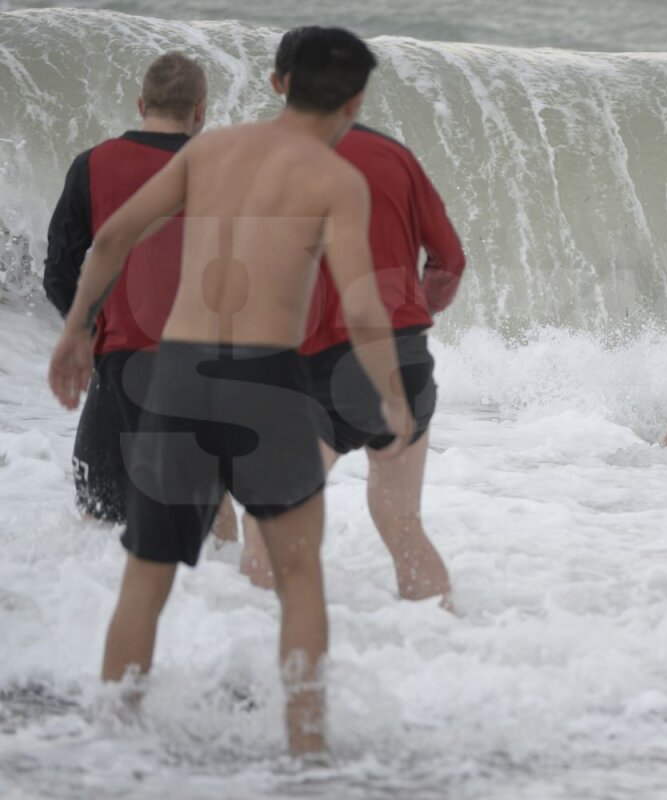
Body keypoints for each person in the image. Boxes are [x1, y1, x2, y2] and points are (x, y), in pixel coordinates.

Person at [47, 28, 410, 755]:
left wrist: (76, 332)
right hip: (265, 384)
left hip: (178, 374)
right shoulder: (336, 179)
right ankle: (307, 755)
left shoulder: (211, 150)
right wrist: (391, 397)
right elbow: (363, 305)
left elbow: (112, 238)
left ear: (278, 84)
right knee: (299, 574)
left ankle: (108, 748)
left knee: (146, 575)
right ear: (355, 100)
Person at [238, 27, 466, 607]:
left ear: (277, 83)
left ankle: (266, 672)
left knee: (268, 522)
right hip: (403, 360)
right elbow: (449, 261)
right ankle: (453, 652)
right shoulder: (397, 158)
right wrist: (413, 313)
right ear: (356, 97)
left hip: (307, 366)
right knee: (400, 523)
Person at [42, 53, 234, 541]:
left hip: (118, 371)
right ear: (200, 110)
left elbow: (59, 274)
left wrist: (90, 333)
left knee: (97, 530)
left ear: (141, 103)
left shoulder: (93, 166)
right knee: (212, 533)